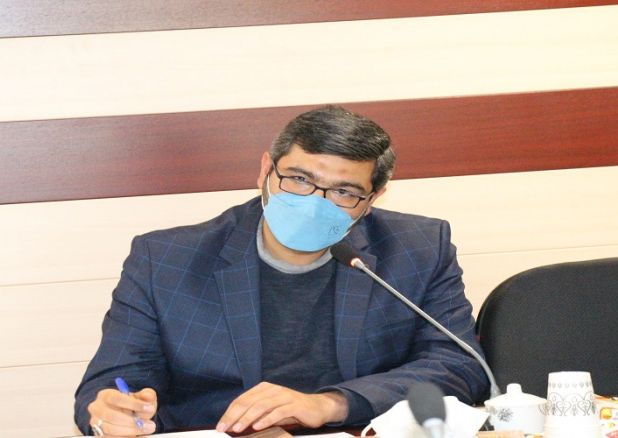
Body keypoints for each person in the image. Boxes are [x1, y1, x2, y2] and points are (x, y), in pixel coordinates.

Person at [74, 106, 489, 437]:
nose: (314, 202)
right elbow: (113, 382)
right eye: (299, 179)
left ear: (372, 200)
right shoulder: (167, 259)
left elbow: (460, 365)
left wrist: (331, 403)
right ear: (265, 171)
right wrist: (111, 412)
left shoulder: (418, 248)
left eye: (343, 191)